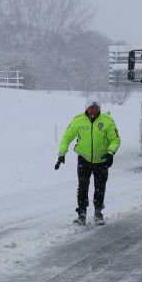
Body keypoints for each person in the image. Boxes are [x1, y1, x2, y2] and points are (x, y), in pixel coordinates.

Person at [56, 96, 120, 225]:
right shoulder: (78, 121)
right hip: (84, 160)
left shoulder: (107, 121)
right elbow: (66, 138)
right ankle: (82, 214)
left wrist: (110, 153)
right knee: (83, 187)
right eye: (91, 107)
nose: (93, 110)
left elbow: (115, 139)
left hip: (102, 160)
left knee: (100, 187)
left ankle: (98, 212)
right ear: (86, 108)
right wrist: (62, 154)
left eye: (96, 108)